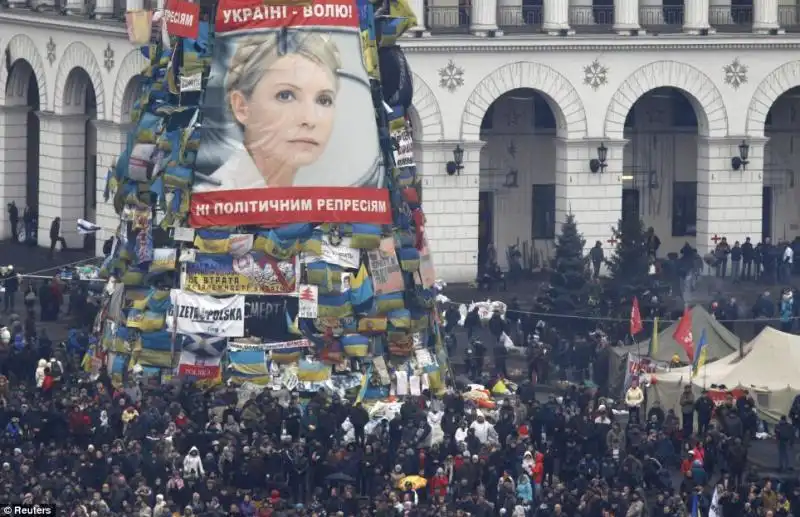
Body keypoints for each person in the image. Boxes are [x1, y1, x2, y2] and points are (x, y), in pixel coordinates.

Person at [197, 32, 342, 191]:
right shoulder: (214, 203)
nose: (310, 119)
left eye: (324, 100)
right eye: (285, 96)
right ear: (242, 107)